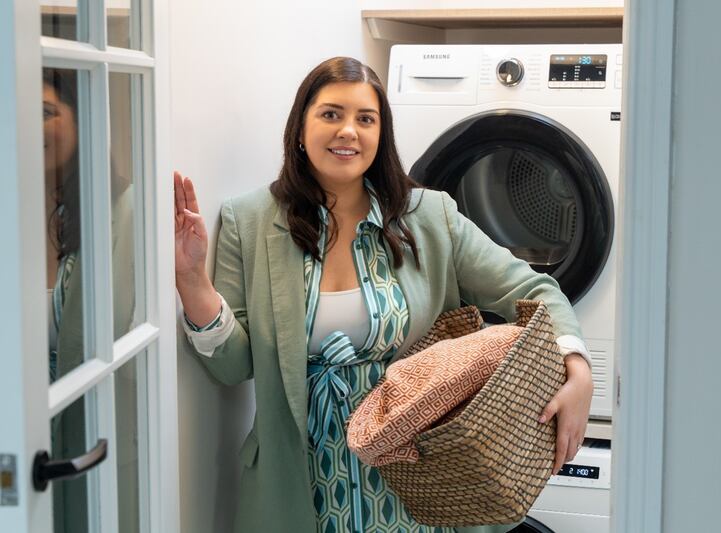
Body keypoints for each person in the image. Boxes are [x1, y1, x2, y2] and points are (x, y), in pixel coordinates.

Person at [174, 56, 593, 533]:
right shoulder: (247, 220)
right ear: (299, 128)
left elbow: (534, 287)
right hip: (300, 483)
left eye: (365, 119)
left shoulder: (429, 217)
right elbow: (232, 365)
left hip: (418, 477)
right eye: (331, 114)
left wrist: (577, 368)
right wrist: (191, 279)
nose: (348, 131)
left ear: (380, 134)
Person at [43, 68, 137, 533]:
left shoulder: (125, 211)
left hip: (84, 443)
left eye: (45, 112)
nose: (27, 124)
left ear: (82, 123)